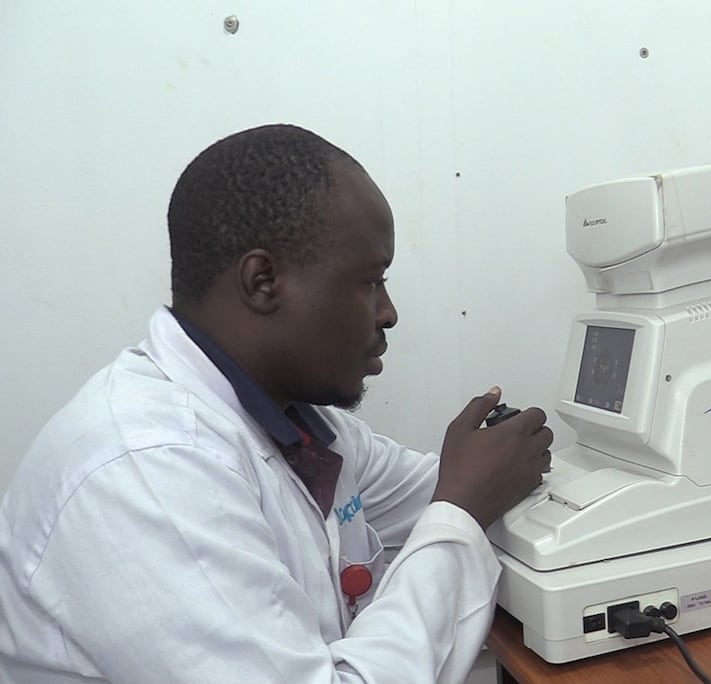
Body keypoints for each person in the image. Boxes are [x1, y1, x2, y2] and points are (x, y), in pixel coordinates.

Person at [0, 124, 554, 683]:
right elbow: (455, 501)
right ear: (263, 281)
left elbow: (446, 489)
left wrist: (516, 484)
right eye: (369, 282)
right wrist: (460, 511)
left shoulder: (298, 427)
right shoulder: (147, 468)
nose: (388, 313)